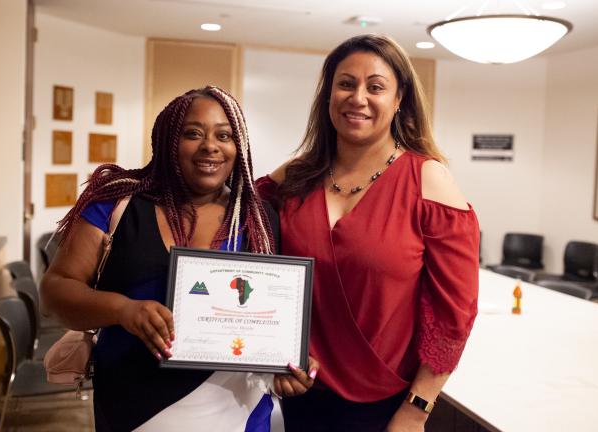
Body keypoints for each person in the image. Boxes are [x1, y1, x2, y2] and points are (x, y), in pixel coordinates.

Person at [41, 86, 319, 432]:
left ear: (239, 147)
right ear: (168, 140)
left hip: (236, 408)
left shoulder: (258, 218)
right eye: (193, 134)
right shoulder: (116, 204)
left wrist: (286, 365)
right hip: (133, 405)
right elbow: (56, 289)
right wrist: (123, 310)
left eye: (225, 135)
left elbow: (268, 318)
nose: (210, 146)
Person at [256, 34, 479, 431]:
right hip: (302, 392)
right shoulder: (295, 176)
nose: (358, 97)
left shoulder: (428, 179)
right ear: (328, 96)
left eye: (375, 87)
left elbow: (454, 316)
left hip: (388, 407)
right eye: (346, 83)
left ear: (398, 101)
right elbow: (228, 210)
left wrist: (416, 409)